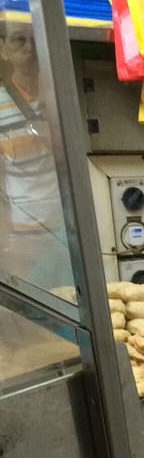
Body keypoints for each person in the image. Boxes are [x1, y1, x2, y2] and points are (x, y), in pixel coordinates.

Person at [0, 19, 69, 291]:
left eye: (34, 39)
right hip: (24, 238)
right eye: (19, 40)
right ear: (3, 50)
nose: (29, 47)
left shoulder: (62, 95)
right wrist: (6, 246)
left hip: (68, 234)